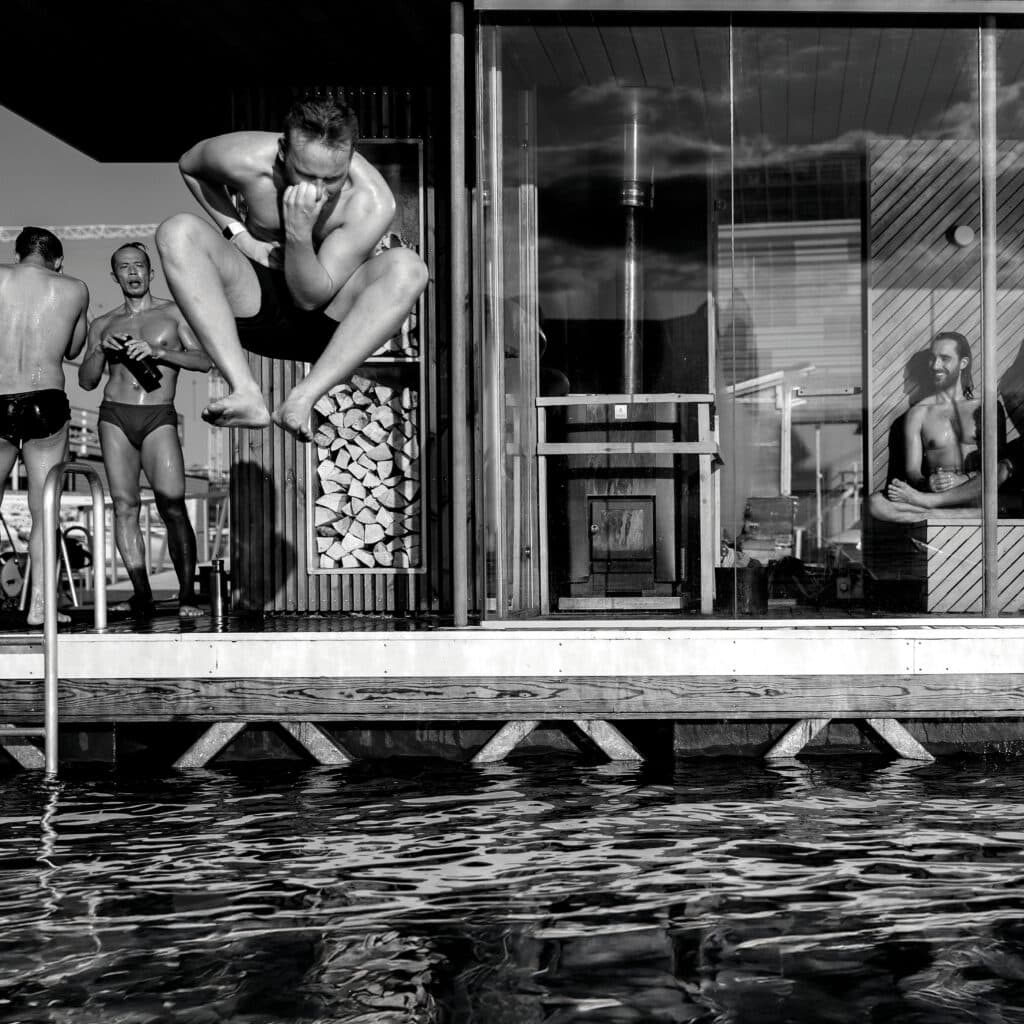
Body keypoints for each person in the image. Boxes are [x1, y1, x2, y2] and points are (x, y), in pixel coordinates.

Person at [155, 97, 428, 442]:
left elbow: (309, 299)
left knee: (409, 267)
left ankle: (302, 398)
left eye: (332, 178)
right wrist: (239, 236)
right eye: (306, 174)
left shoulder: (371, 201)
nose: (318, 190)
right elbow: (190, 167)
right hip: (252, 305)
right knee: (178, 231)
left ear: (350, 157)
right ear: (283, 152)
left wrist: (299, 234)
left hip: (324, 325)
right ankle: (245, 392)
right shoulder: (244, 157)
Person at [79, 242, 211, 618]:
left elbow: (204, 361)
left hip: (158, 415)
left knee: (172, 504)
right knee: (124, 506)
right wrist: (99, 351)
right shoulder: (102, 324)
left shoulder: (174, 313)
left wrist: (157, 352)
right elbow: (87, 381)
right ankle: (142, 594)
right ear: (115, 276)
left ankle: (186, 597)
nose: (133, 272)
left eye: (139, 265)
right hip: (114, 415)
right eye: (124, 267)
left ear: (151, 272)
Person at [0, 227, 89, 626]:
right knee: (44, 509)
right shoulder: (73, 288)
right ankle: (40, 606)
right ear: (58, 261)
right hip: (45, 401)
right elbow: (73, 348)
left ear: (16, 254)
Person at [869, 331, 1014, 523]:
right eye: (933, 358)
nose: (935, 365)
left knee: (1003, 478)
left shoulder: (987, 407)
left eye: (944, 358)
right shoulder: (918, 413)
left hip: (976, 493)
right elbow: (912, 471)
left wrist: (964, 479)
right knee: (875, 503)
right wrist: (928, 482)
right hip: (936, 496)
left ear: (963, 363)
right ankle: (942, 513)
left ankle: (928, 513)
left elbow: (998, 463)